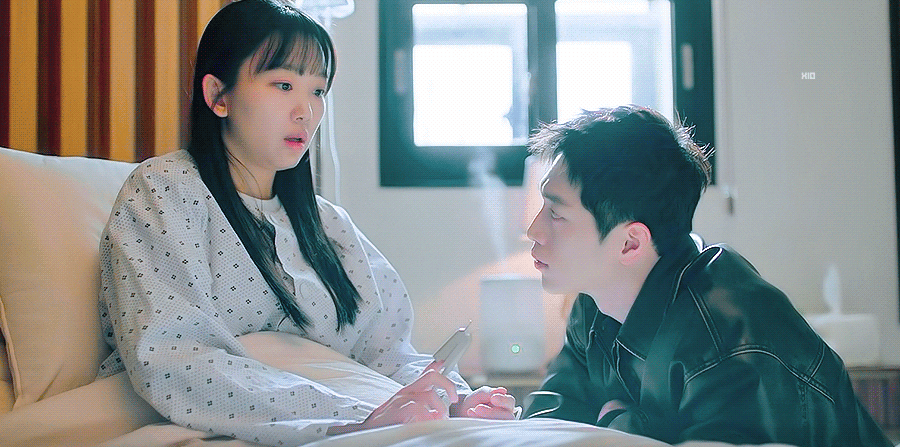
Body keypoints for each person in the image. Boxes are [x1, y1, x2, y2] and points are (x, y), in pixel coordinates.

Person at [96, 1, 515, 445]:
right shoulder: (165, 189)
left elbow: (389, 354)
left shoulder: (329, 224)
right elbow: (174, 358)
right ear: (218, 95)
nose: (306, 111)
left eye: (318, 91)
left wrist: (452, 399)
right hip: (228, 423)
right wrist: (355, 419)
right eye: (283, 85)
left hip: (360, 417)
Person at [519, 105, 891, 446]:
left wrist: (618, 421)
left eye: (556, 213)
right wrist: (504, 419)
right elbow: (552, 420)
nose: (534, 230)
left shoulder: (730, 333)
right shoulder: (595, 304)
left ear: (631, 244)